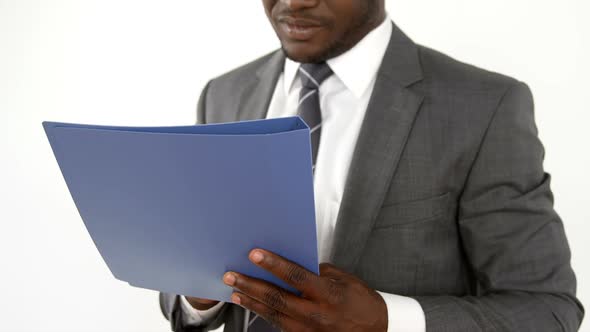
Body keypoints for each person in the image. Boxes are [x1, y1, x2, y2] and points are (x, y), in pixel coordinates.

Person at [160, 0, 584, 331]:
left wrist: (386, 321)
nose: (293, 4)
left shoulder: (483, 107)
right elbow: (188, 288)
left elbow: (547, 309)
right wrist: (199, 295)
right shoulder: (223, 95)